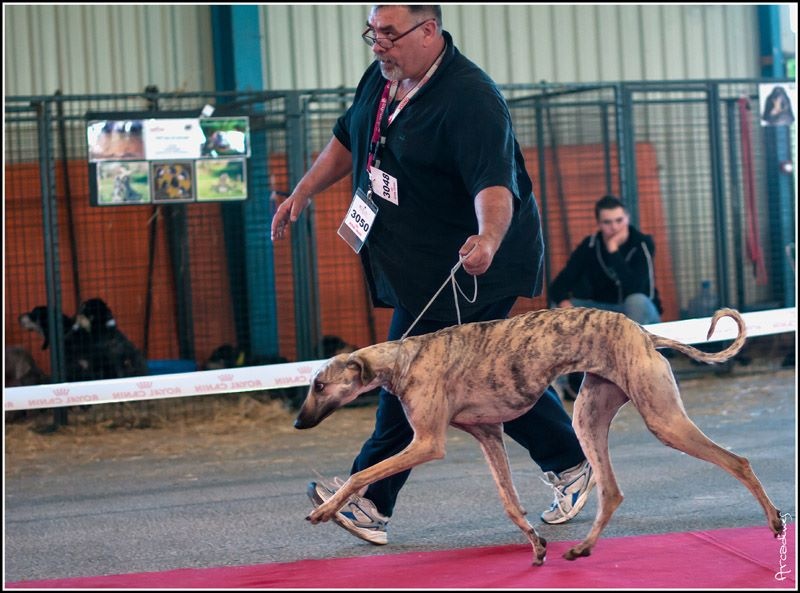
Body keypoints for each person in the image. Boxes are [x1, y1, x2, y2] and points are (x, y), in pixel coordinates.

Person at [270, 4, 594, 545]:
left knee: (407, 373)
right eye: (372, 34)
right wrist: (303, 191)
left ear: (429, 31)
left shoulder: (471, 100)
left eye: (390, 35)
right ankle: (570, 463)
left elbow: (496, 185)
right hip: (420, 266)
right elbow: (349, 138)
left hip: (474, 265)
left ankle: (370, 501)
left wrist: (488, 237)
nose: (378, 45)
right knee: (483, 381)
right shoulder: (384, 73)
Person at [548, 195, 663, 400]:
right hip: (607, 312)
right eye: (607, 222)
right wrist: (565, 303)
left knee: (635, 301)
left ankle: (635, 376)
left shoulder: (642, 243)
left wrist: (613, 250)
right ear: (599, 224)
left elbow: (635, 288)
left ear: (627, 218)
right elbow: (559, 285)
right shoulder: (591, 245)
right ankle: (569, 382)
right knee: (560, 309)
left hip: (641, 311)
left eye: (619, 220)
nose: (615, 227)